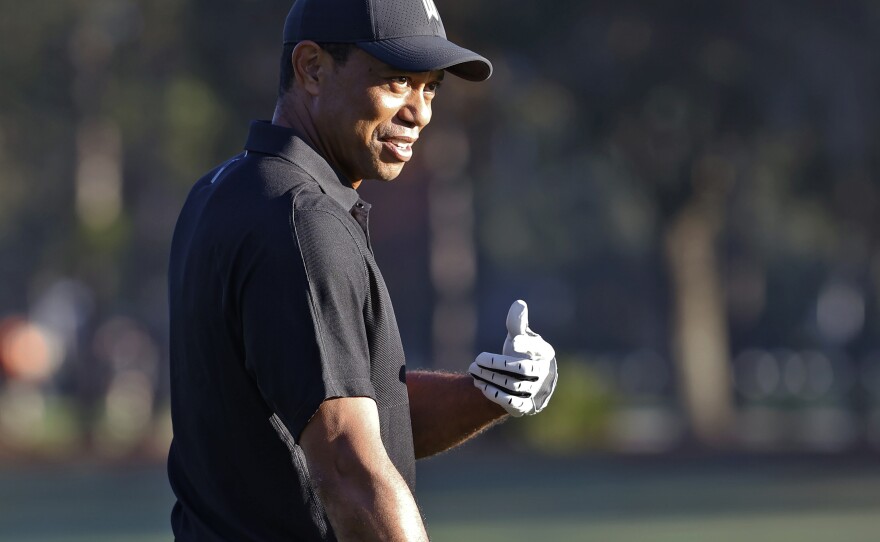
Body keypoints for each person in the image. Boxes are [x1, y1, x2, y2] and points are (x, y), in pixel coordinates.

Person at [166, 0, 558, 540]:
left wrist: (488, 392)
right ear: (312, 68)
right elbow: (349, 468)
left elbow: (349, 412)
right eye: (397, 81)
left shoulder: (225, 191)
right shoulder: (302, 221)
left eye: (431, 88)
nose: (420, 112)